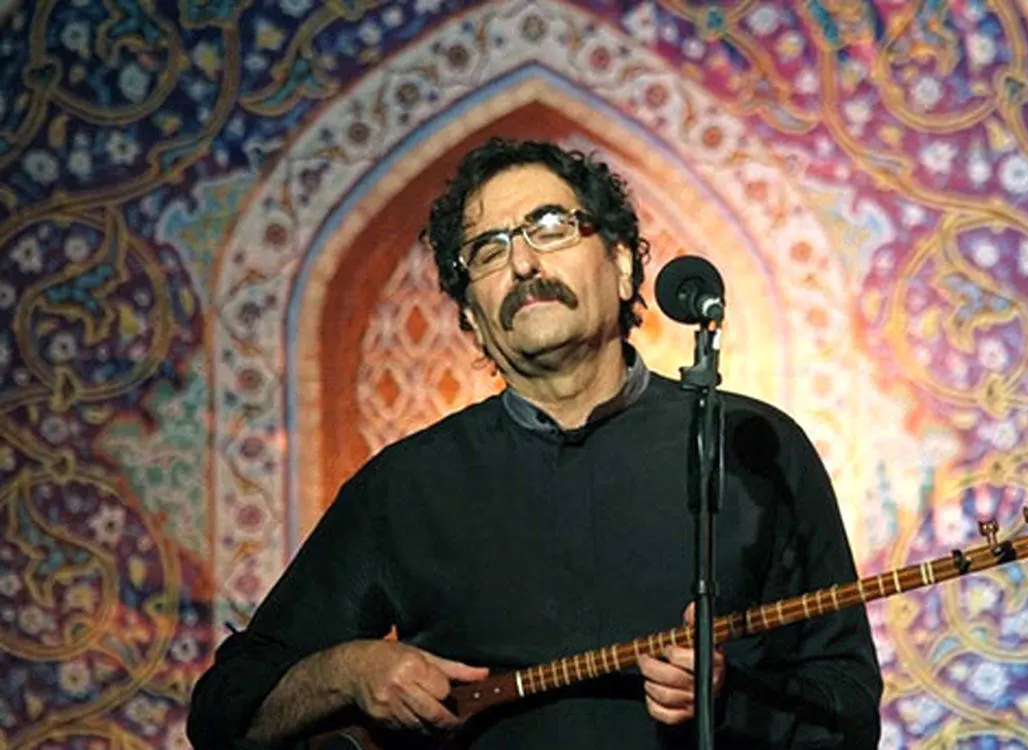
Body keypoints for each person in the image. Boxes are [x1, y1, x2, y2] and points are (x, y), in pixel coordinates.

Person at [187, 139, 882, 749]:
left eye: (550, 227)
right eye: (487, 250)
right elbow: (225, 712)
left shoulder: (754, 449)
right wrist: (350, 671)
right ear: (472, 318)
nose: (521, 262)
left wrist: (729, 703)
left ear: (622, 265)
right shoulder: (406, 486)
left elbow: (850, 710)